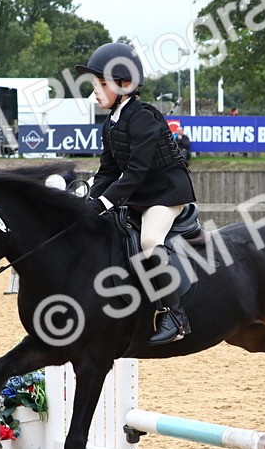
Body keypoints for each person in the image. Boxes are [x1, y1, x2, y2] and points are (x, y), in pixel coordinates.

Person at [75, 41, 197, 344]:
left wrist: (103, 202)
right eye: (95, 84)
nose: (95, 92)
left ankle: (175, 316)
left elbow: (135, 172)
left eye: (102, 84)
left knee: (149, 240)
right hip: (138, 195)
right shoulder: (110, 124)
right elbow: (107, 172)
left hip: (166, 192)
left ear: (125, 84)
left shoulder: (144, 116)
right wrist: (87, 199)